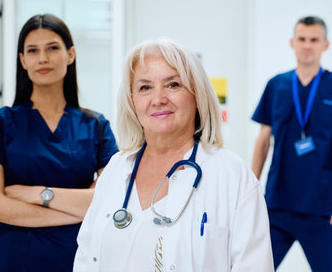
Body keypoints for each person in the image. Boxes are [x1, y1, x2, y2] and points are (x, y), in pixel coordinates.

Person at [73, 38, 274, 271]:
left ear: (197, 95)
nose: (158, 100)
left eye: (173, 85)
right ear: (132, 101)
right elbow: (86, 258)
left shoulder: (233, 176)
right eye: (145, 87)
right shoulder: (116, 170)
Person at [0, 13, 118, 272]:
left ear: (70, 55)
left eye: (52, 48)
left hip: (77, 259)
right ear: (23, 60)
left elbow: (108, 201)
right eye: (32, 50)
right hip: (15, 260)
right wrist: (77, 211)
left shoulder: (96, 125)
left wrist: (35, 194)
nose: (42, 58)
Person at [251, 16, 332, 271]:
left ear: (325, 45)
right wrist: (249, 188)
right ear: (292, 43)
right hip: (277, 206)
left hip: (324, 209)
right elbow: (262, 141)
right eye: (302, 39)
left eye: (314, 40)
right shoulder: (276, 85)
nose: (307, 45)